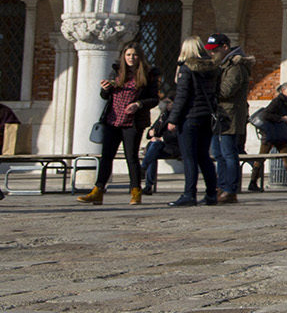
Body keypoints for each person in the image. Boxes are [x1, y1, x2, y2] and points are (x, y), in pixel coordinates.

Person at [78, 41, 161, 205]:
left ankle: (135, 191)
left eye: (134, 55)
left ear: (140, 57)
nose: (131, 58)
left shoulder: (148, 74)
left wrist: (139, 104)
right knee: (106, 156)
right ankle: (98, 190)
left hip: (133, 122)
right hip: (113, 120)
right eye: (128, 54)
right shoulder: (116, 71)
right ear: (124, 56)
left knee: (131, 157)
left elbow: (154, 99)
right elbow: (105, 96)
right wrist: (105, 88)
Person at [167, 36, 221, 207]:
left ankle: (189, 194)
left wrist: (173, 119)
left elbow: (182, 97)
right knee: (204, 156)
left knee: (189, 157)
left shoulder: (186, 69)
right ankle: (211, 193)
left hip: (190, 117)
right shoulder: (212, 68)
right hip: (206, 116)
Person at [205, 34, 251, 204]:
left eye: (215, 50)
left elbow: (226, 91)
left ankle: (230, 189)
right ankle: (221, 186)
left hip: (230, 115)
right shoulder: (223, 65)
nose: (212, 54)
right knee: (217, 153)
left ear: (225, 47)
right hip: (219, 115)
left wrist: (209, 85)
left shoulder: (235, 67)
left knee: (228, 153)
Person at [247, 82, 287, 191]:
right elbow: (266, 114)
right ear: (283, 91)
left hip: (279, 134)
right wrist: (281, 119)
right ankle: (253, 182)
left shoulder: (286, 102)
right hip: (270, 135)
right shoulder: (277, 101)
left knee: (286, 156)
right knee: (261, 158)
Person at [140, 88, 178, 195]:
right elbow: (150, 132)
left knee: (152, 149)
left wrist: (160, 138)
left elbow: (177, 136)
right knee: (153, 150)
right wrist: (152, 133)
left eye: (169, 102)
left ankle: (143, 170)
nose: (166, 105)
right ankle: (148, 184)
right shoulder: (164, 115)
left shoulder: (177, 116)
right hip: (162, 146)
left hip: (175, 147)